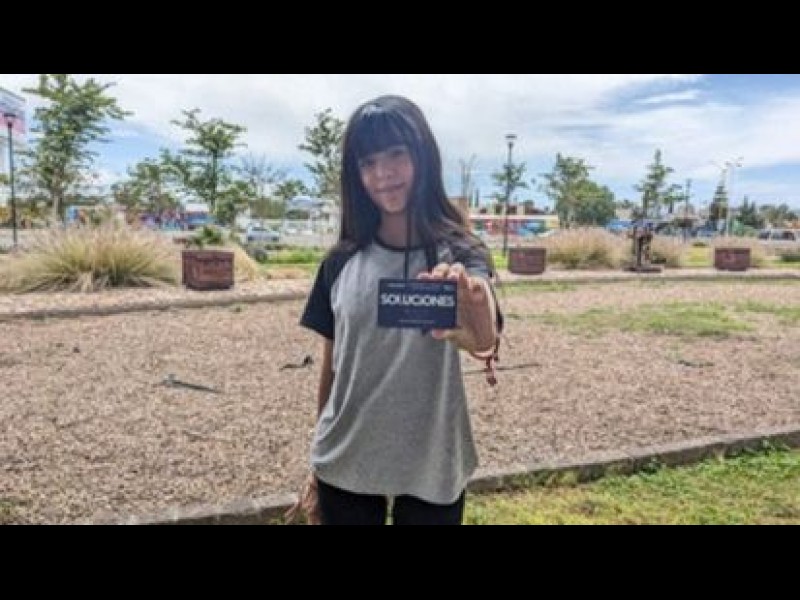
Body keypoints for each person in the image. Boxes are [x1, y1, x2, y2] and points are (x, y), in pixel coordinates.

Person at [295, 95, 502, 526]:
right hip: (345, 457)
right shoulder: (340, 262)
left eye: (396, 154)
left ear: (423, 156)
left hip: (434, 459)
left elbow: (483, 334)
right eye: (368, 162)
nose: (383, 173)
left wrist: (476, 315)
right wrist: (317, 459)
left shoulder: (460, 254)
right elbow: (332, 363)